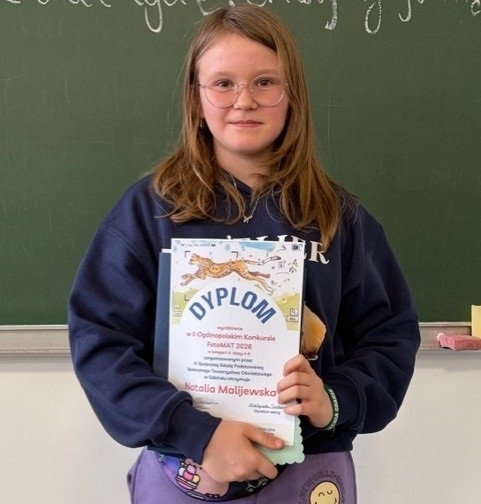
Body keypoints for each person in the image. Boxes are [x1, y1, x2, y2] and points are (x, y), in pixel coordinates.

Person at [68, 5, 420, 503]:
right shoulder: (148, 212)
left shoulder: (338, 217)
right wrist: (193, 431)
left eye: (265, 82)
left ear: (292, 94)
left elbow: (390, 336)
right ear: (196, 98)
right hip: (185, 466)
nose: (244, 101)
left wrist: (333, 400)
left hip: (309, 469)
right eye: (223, 83)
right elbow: (101, 340)